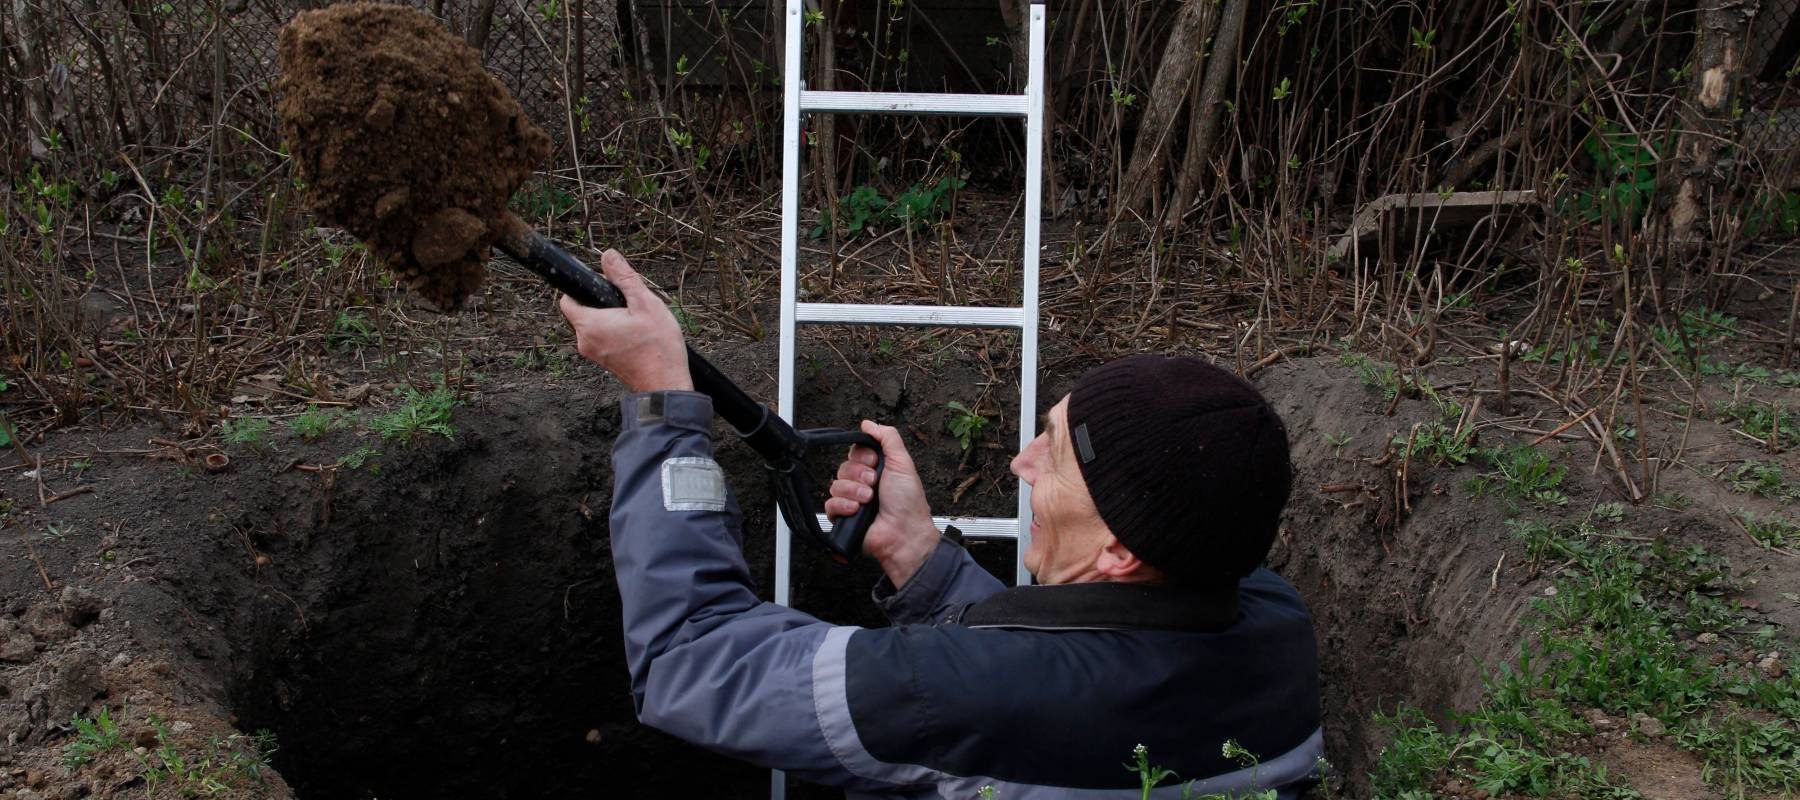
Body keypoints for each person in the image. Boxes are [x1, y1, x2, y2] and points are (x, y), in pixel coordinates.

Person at [559, 249, 1323, 798]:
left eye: (1052, 454)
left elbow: (688, 660)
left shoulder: (948, 697)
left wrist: (662, 402)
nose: (1021, 463)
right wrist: (920, 557)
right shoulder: (1276, 630)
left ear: (1119, 551)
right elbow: (1069, 659)